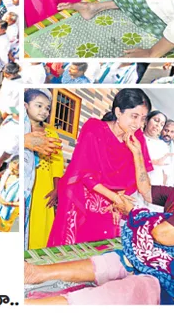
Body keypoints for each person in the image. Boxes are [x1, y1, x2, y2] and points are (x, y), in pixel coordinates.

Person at [26, 146, 174, 305]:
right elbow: (145, 190)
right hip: (170, 260)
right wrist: (136, 152)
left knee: (141, 285)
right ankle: (38, 273)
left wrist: (132, 213)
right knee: (118, 258)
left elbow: (165, 235)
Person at [48, 89, 154, 247]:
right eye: (134, 116)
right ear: (118, 112)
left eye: (143, 119)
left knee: (101, 254)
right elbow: (85, 174)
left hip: (112, 205)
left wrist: (137, 153)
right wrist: (116, 199)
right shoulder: (95, 129)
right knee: (74, 250)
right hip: (83, 200)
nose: (138, 124)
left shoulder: (137, 138)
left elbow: (143, 187)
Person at [25, 90, 64, 249]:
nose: (44, 111)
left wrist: (56, 189)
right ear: (26, 106)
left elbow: (57, 162)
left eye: (47, 108)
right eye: (39, 106)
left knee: (41, 224)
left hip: (43, 185)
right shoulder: (22, 130)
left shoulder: (50, 133)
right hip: (26, 182)